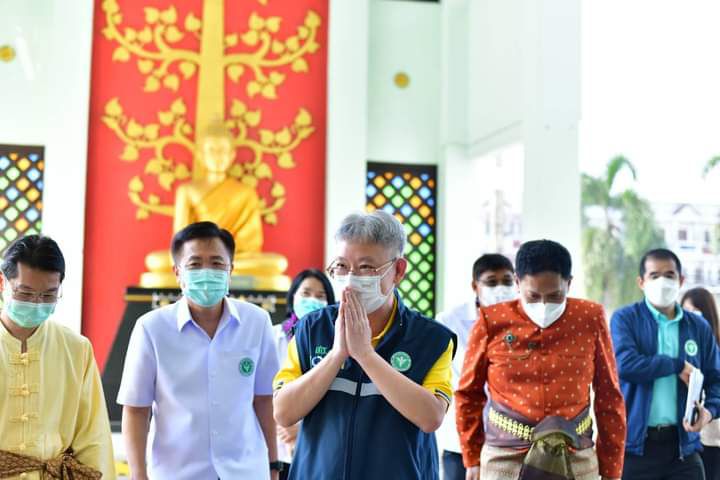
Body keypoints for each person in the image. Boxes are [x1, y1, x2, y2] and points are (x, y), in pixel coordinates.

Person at [273, 210, 457, 479]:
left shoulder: (431, 339)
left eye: (366, 268)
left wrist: (366, 355)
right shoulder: (311, 329)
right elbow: (283, 413)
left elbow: (431, 418)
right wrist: (337, 355)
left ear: (398, 270)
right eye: (341, 266)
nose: (351, 278)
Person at [118, 221, 281, 480]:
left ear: (231, 270)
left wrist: (273, 466)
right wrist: (138, 475)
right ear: (177, 272)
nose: (207, 272)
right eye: (195, 264)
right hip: (177, 473)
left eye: (217, 263)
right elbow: (136, 409)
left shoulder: (257, 322)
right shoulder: (151, 328)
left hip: (245, 470)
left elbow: (264, 400)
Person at [457, 239, 626, 480]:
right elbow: (468, 394)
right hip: (505, 459)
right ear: (518, 283)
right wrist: (472, 458)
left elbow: (609, 395)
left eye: (555, 296)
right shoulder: (492, 321)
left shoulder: (589, 318)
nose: (544, 305)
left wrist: (611, 470)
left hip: (576, 456)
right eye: (533, 296)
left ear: (569, 283)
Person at [0, 235, 115, 479]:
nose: (36, 302)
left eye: (48, 295)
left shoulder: (76, 349)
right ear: (3, 283)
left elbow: (94, 438)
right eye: (25, 293)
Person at [611, 248, 720, 480]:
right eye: (654, 275)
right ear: (641, 282)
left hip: (683, 449)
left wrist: (709, 412)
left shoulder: (698, 327)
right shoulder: (625, 319)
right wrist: (676, 365)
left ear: (681, 280)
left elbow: (716, 379)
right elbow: (625, 365)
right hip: (636, 449)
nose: (662, 281)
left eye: (669, 275)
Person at [436, 253, 516, 480]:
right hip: (461, 440)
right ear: (475, 286)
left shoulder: (525, 321)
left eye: (507, 281)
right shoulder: (449, 321)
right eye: (491, 282)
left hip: (510, 439)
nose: (500, 288)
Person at [273, 269, 336, 478]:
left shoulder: (337, 343)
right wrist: (286, 425)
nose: (312, 300)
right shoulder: (272, 336)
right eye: (306, 293)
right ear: (293, 297)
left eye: (320, 296)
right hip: (274, 449)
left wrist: (301, 428)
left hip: (318, 449)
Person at [683, 287, 720, 480]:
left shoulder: (714, 349)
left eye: (696, 313)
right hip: (690, 440)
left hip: (713, 438)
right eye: (685, 312)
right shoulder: (684, 350)